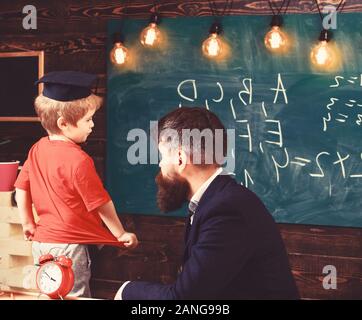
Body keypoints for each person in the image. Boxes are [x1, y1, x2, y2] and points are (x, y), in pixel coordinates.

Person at [115, 107, 299, 300]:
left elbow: (185, 300)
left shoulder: (227, 210)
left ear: (180, 158)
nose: (160, 165)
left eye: (163, 157)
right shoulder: (215, 200)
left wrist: (126, 291)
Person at [15, 71, 138, 298]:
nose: (92, 125)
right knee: (74, 295)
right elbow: (101, 202)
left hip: (41, 243)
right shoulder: (79, 160)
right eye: (88, 120)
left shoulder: (38, 148)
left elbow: (21, 189)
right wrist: (120, 233)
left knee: (48, 295)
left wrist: (27, 223)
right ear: (63, 123)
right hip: (69, 247)